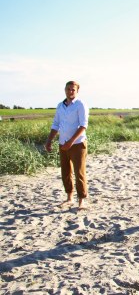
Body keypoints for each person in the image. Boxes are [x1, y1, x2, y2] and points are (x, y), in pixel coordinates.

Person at [45, 81, 90, 210]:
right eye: (68, 89)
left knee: (79, 172)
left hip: (77, 143)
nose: (70, 91)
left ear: (77, 91)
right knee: (66, 172)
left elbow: (83, 125)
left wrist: (70, 142)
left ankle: (81, 200)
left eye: (73, 90)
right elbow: (55, 124)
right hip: (62, 144)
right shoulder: (60, 106)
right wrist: (49, 141)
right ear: (65, 90)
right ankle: (69, 198)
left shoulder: (80, 105)